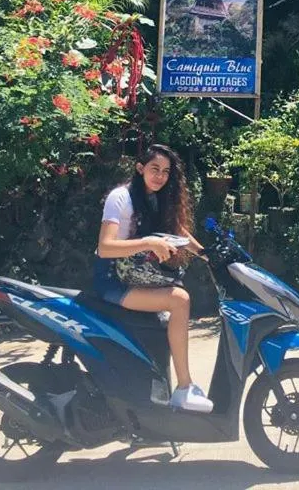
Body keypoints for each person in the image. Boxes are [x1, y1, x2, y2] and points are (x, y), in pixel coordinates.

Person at [93, 143, 213, 413]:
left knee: (177, 292)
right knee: (179, 300)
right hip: (113, 281)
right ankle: (184, 388)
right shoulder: (120, 198)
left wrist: (207, 256)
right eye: (154, 169)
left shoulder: (155, 199)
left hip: (135, 276)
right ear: (140, 168)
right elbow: (105, 247)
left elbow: (178, 231)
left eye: (166, 172)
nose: (160, 176)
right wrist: (147, 243)